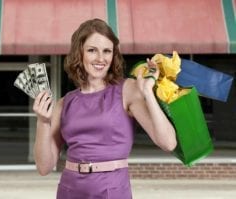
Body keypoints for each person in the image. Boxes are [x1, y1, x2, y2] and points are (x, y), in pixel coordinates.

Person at [33, 18, 177, 199]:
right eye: (92, 50)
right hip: (70, 189)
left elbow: (168, 143)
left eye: (107, 51)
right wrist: (43, 122)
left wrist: (147, 92)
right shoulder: (65, 103)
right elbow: (44, 167)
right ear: (80, 53)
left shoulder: (127, 90)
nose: (101, 58)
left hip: (112, 190)